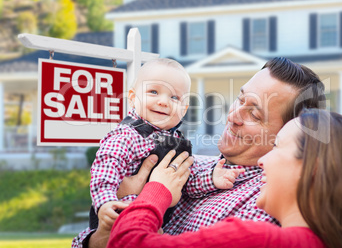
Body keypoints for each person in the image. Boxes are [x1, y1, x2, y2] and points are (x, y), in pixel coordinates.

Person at [74, 57, 326, 247]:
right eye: (240, 100)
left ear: (288, 132)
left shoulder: (264, 205)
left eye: (255, 114)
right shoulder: (196, 165)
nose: (233, 116)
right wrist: (99, 236)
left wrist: (151, 193)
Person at [107, 109, 342, 248]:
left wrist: (156, 190)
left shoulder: (255, 238)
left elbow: (127, 243)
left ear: (313, 170)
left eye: (276, 147)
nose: (263, 161)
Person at [72, 58, 244, 247]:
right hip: (118, 216)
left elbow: (185, 182)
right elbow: (105, 170)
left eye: (174, 98)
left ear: (184, 109)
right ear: (132, 97)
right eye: (154, 92)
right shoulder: (126, 135)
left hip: (153, 227)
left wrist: (212, 179)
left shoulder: (178, 144)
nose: (163, 102)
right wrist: (106, 202)